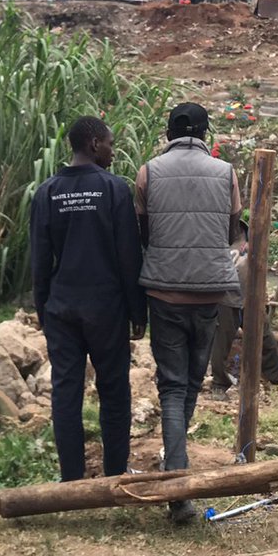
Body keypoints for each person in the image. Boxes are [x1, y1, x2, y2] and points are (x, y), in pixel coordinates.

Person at [136, 102, 241, 523]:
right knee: (191, 383)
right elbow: (233, 231)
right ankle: (176, 467)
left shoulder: (147, 172)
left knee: (171, 387)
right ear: (205, 132)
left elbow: (143, 232)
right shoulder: (227, 172)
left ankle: (177, 483)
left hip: (164, 292)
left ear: (169, 132)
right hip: (209, 293)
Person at [30, 116, 145, 483]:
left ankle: (72, 479)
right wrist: (137, 309)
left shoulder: (47, 192)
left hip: (62, 308)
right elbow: (129, 256)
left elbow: (40, 259)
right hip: (106, 309)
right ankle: (114, 476)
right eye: (110, 143)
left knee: (66, 392)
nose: (113, 151)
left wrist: (43, 308)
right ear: (94, 144)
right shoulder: (114, 190)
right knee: (114, 390)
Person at [210, 219, 278, 396]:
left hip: (251, 296)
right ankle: (219, 384)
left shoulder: (249, 233)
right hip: (225, 298)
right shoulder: (214, 232)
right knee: (221, 343)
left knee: (265, 340)